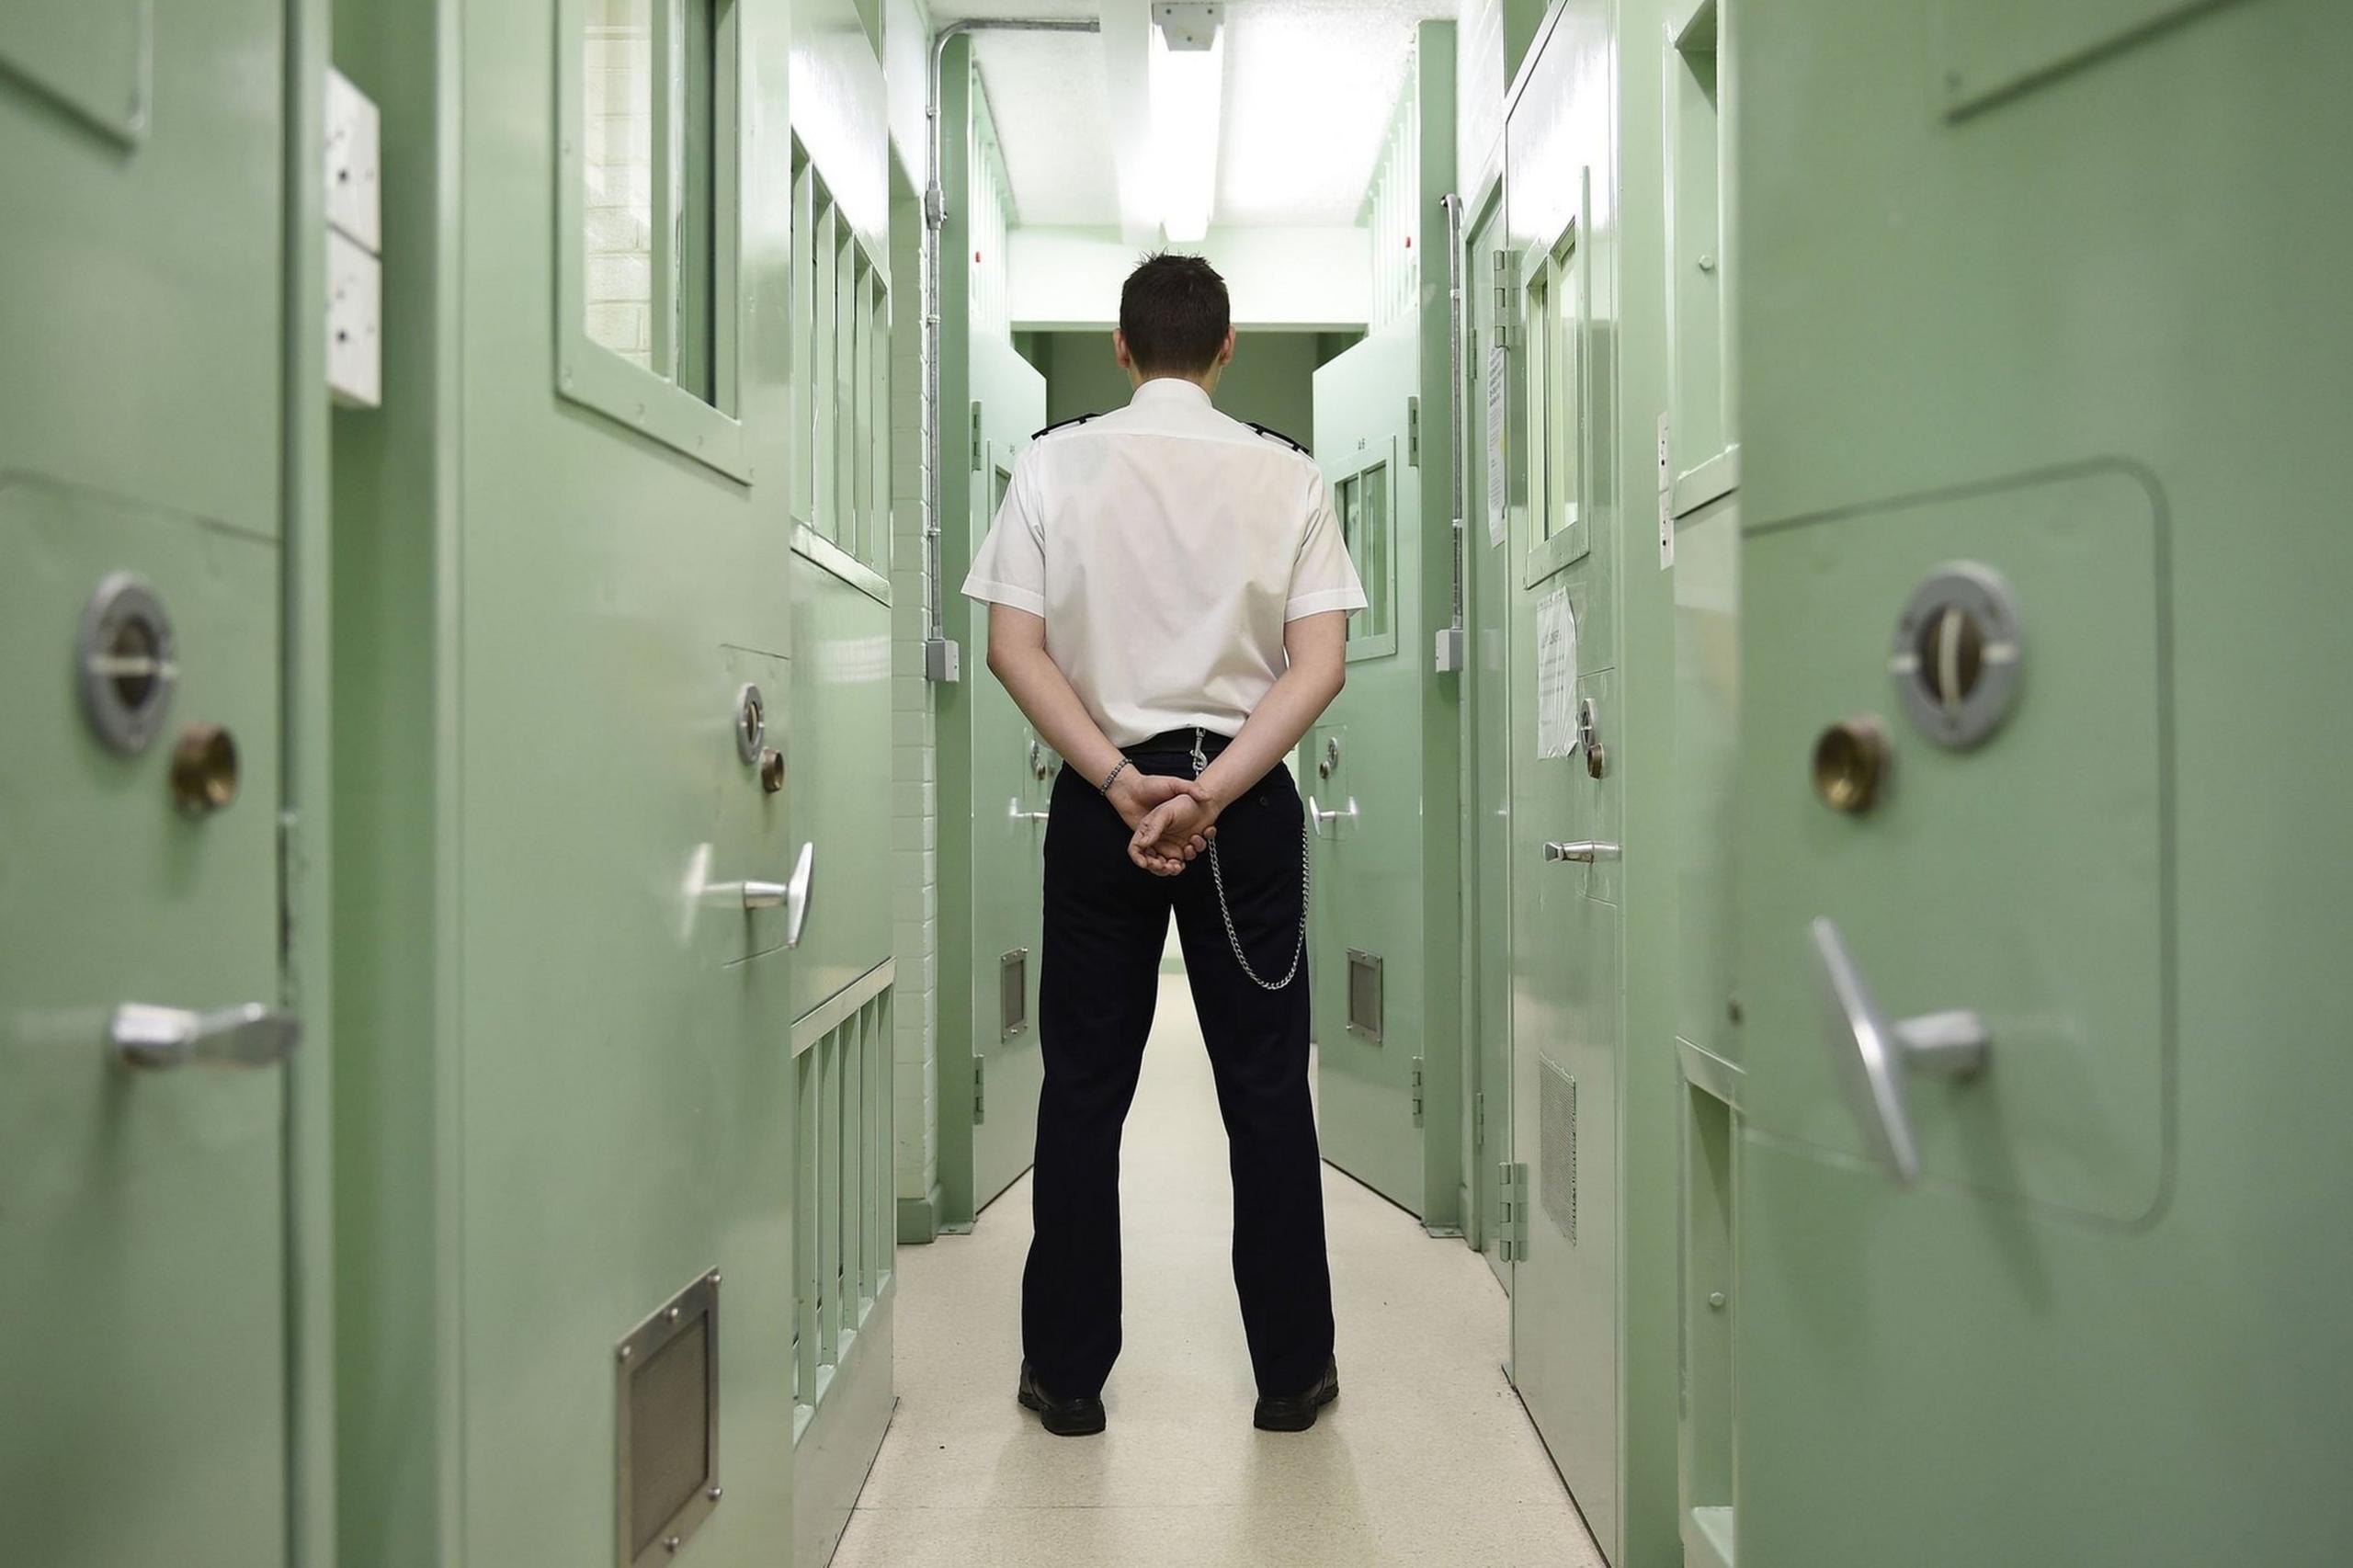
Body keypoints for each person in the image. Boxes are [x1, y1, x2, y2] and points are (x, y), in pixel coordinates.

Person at [962, 251, 1365, 1437]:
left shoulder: (1050, 463)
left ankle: (1068, 1375)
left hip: (1104, 802)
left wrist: (1124, 783)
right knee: (1264, 1090)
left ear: (1123, 348)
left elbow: (1012, 647)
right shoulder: (1289, 476)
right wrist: (1215, 792)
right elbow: (1320, 663)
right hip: (1242, 807)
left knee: (1084, 1088)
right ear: (1228, 346)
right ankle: (1292, 1374)